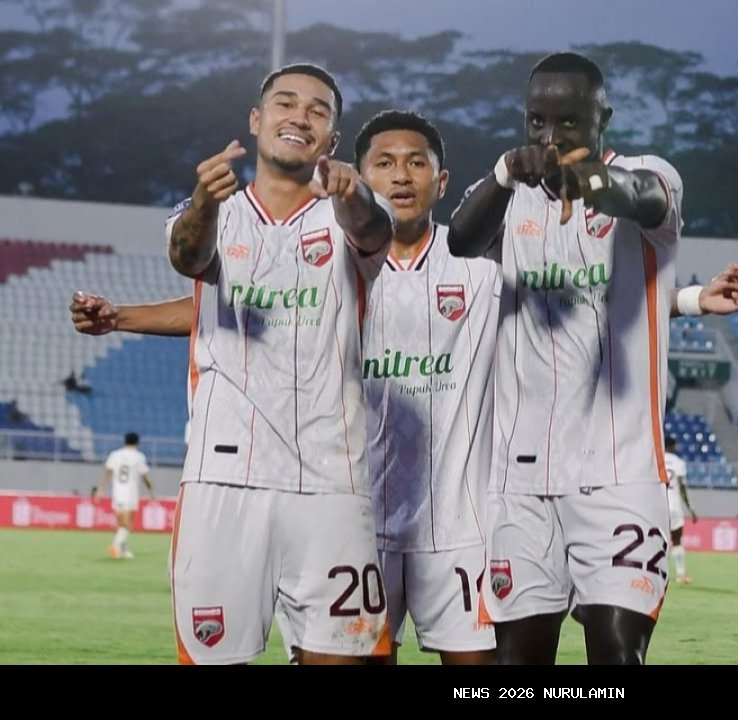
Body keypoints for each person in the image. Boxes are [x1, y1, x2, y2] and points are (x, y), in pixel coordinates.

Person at [70, 111, 502, 665]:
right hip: (348, 512)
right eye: (384, 165)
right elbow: (227, 306)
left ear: (440, 182)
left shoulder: (479, 265)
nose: (400, 177)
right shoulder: (330, 246)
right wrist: (122, 317)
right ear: (357, 175)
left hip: (456, 520)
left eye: (416, 164)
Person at [446, 51, 738, 665]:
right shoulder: (510, 196)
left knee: (615, 655)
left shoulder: (650, 174)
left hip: (619, 472)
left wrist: (588, 183)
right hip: (520, 479)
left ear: (602, 117)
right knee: (515, 667)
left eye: (568, 122)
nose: (550, 137)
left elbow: (640, 197)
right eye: (536, 122)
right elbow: (459, 241)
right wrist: (506, 172)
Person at [164, 63, 394, 665]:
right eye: (286, 103)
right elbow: (188, 257)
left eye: (317, 111)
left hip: (330, 480)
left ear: (332, 140)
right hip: (223, 476)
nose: (299, 117)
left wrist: (354, 193)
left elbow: (374, 231)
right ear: (256, 120)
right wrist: (202, 204)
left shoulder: (349, 216)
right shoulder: (212, 211)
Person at [92, 432, 153, 559]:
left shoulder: (115, 454)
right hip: (130, 493)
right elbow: (145, 476)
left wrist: (100, 488)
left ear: (124, 441)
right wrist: (151, 490)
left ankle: (122, 548)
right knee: (127, 524)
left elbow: (106, 472)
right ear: (137, 442)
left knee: (121, 524)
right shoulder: (138, 456)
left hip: (117, 493)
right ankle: (116, 545)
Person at [663, 437, 696, 585]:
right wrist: (691, 508)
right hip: (674, 507)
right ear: (673, 446)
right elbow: (682, 487)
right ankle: (680, 575)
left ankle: (658, 574)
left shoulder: (655, 459)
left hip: (659, 506)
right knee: (676, 541)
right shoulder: (678, 462)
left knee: (659, 542)